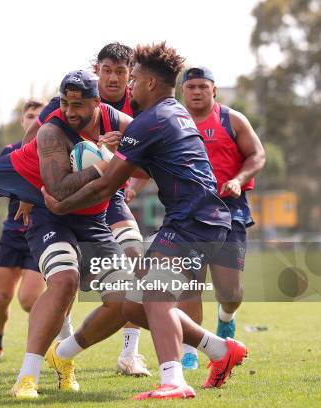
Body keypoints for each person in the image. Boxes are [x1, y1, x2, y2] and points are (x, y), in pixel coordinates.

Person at [41, 43, 247, 400]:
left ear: (150, 83)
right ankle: (220, 349)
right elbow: (147, 166)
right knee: (135, 304)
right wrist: (118, 150)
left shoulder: (152, 120)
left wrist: (61, 205)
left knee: (153, 292)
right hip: (202, 217)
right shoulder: (172, 113)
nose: (129, 86)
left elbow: (107, 184)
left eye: (133, 79)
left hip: (192, 219)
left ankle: (173, 379)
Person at [0, 70, 132, 398]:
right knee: (64, 281)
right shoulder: (51, 131)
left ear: (98, 102)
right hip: (50, 217)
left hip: (95, 221)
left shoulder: (121, 123)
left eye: (78, 105)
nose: (69, 112)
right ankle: (27, 377)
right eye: (65, 103)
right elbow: (57, 190)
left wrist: (126, 154)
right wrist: (103, 162)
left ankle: (63, 355)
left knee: (124, 300)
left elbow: (147, 164)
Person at [28, 43, 151, 376]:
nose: (112, 78)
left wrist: (131, 182)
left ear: (131, 76)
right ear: (96, 72)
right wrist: (25, 190)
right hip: (72, 196)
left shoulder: (137, 105)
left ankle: (130, 354)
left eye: (120, 72)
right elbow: (30, 145)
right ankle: (63, 336)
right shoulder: (68, 101)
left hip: (110, 197)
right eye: (106, 70)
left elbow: (147, 158)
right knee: (65, 278)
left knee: (135, 260)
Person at [178, 66, 265, 367]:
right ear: (183, 91)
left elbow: (257, 154)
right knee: (188, 284)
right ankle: (189, 352)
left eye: (203, 86)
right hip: (187, 214)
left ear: (214, 90)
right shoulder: (172, 122)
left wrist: (239, 180)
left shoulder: (232, 119)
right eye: (191, 87)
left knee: (230, 292)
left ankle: (226, 316)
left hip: (230, 211)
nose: (197, 92)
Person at [0, 98, 48, 363]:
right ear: (23, 121)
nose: (34, 120)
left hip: (41, 233)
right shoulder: (12, 150)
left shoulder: (56, 150)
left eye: (39, 116)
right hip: (12, 234)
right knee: (2, 296)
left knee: (28, 299)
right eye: (30, 116)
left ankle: (44, 347)